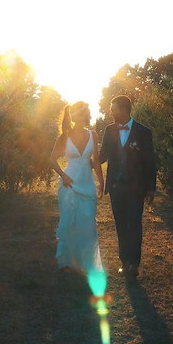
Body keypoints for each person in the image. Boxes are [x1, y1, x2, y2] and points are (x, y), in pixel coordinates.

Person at [99, 95, 156, 278]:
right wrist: (85, 153)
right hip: (116, 186)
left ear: (124, 109)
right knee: (121, 224)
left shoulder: (143, 132)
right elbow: (102, 156)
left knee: (134, 224)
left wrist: (150, 187)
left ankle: (134, 263)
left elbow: (150, 161)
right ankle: (124, 262)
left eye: (113, 108)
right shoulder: (109, 130)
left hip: (136, 187)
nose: (111, 112)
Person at [49, 102, 104, 274]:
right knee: (68, 222)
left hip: (87, 183)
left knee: (87, 223)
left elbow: (95, 160)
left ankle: (86, 262)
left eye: (84, 112)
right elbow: (51, 160)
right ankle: (66, 261)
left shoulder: (92, 135)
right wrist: (63, 176)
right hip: (69, 184)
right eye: (77, 113)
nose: (84, 115)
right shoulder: (64, 137)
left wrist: (101, 181)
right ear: (73, 116)